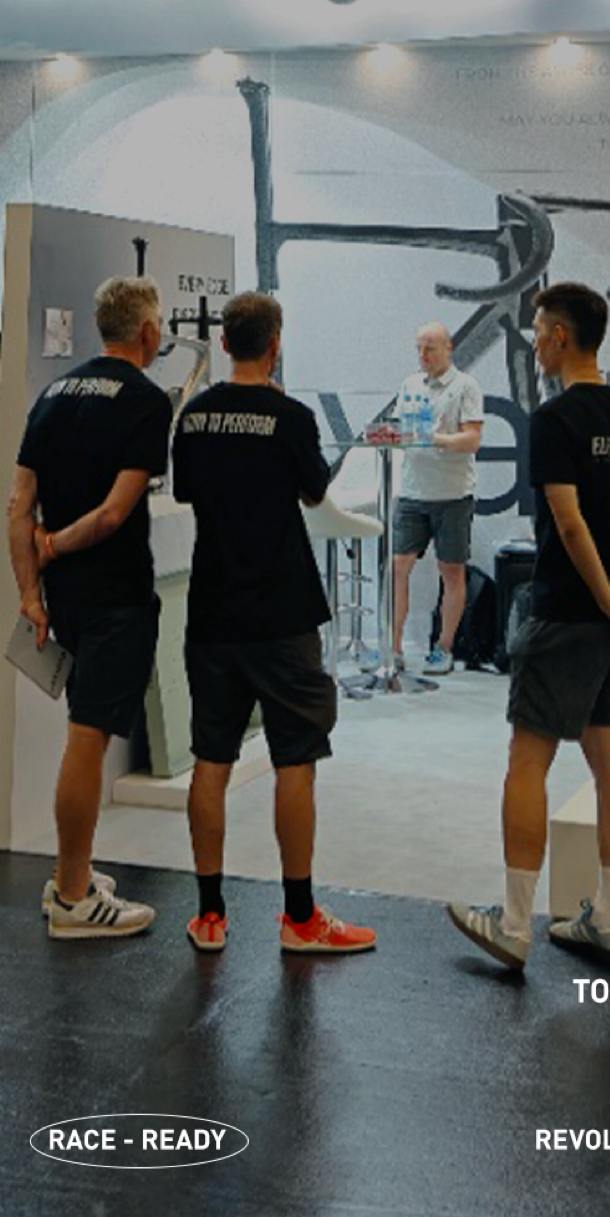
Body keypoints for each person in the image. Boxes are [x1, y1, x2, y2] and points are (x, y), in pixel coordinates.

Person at [448, 281, 610, 970]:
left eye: (539, 330)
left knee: (529, 759)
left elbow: (569, 523)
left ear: (558, 336)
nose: (534, 343)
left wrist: (608, 603)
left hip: (572, 612)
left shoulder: (554, 419)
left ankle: (514, 924)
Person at [172, 292, 376, 955]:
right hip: (283, 612)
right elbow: (315, 491)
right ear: (275, 343)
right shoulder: (291, 417)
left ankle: (209, 915)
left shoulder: (194, 415)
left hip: (212, 610)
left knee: (211, 758)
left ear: (224, 343)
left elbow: (187, 492)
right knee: (295, 758)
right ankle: (299, 918)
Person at [8, 275, 171, 940]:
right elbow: (110, 515)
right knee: (89, 738)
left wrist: (30, 592)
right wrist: (54, 547)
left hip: (67, 599)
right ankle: (74, 897)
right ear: (148, 332)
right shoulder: (146, 401)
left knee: (86, 732)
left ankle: (71, 873)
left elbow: (18, 505)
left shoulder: (53, 394)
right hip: (115, 596)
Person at [389, 321, 484, 675]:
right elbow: (400, 429)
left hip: (453, 493)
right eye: (419, 348)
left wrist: (434, 439)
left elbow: (472, 439)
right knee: (398, 567)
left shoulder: (465, 386)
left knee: (451, 570)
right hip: (412, 490)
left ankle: (443, 648)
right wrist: (398, 436)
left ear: (448, 348)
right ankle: (394, 648)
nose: (423, 355)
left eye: (430, 348)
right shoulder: (410, 385)